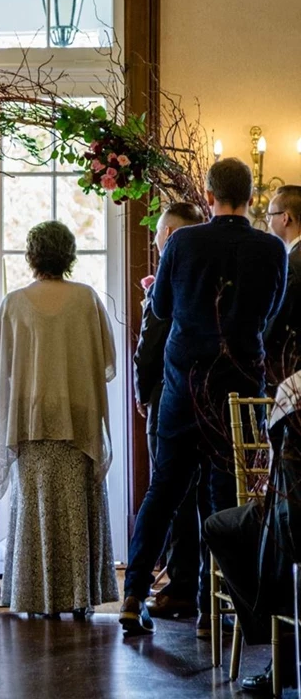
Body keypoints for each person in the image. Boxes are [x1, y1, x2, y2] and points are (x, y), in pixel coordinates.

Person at [120, 158, 288, 636]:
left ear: (209, 197)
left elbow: (162, 308)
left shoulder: (184, 242)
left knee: (163, 493)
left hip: (182, 387)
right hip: (237, 388)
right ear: (251, 197)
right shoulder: (271, 248)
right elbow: (271, 314)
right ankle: (222, 612)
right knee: (227, 499)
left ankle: (133, 595)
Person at [0, 220, 118, 617]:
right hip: (78, 418)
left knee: (34, 509)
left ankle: (36, 597)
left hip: (31, 419)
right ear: (69, 255)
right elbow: (107, 361)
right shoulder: (87, 298)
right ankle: (81, 597)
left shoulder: (13, 303)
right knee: (78, 507)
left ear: (31, 257)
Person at [203, 369, 301, 693]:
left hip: (290, 523)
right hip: (288, 515)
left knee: (218, 527)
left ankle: (279, 641)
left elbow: (277, 475)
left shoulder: (294, 392)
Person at [134, 202, 205, 619]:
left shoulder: (172, 275)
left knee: (171, 493)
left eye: (161, 234)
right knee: (194, 495)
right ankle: (188, 582)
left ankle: (179, 585)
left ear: (174, 234)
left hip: (168, 393)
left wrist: (144, 391)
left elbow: (153, 341)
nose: (158, 243)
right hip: (201, 395)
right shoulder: (205, 275)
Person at [265, 185, 301, 384]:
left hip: (292, 368)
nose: (268, 221)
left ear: (285, 218)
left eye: (270, 215)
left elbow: (279, 318)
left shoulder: (293, 264)